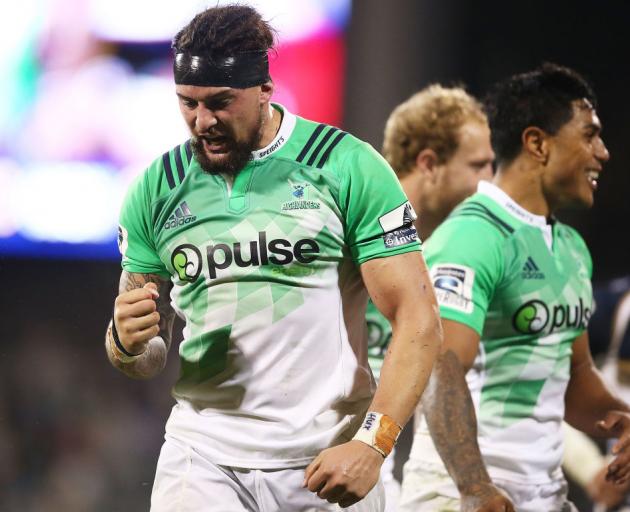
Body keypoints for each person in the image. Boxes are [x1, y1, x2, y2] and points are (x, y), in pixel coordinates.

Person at [104, 5, 441, 511]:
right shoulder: (157, 188)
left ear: (265, 88)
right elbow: (148, 353)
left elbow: (418, 319)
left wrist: (373, 444)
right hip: (203, 459)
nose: (203, 122)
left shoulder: (347, 166)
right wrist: (125, 341)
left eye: (221, 102)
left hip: (325, 457)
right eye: (188, 104)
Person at [398, 62, 630, 512]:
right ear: (537, 143)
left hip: (542, 493)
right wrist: (474, 487)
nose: (602, 152)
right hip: (457, 495)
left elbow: (575, 380)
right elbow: (439, 371)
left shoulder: (570, 248)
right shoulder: (471, 238)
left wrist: (623, 423)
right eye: (589, 135)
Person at [364, 84, 496, 510]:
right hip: (311, 461)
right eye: (479, 166)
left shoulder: (464, 258)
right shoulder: (352, 230)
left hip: (383, 463)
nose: (492, 183)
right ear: (429, 164)